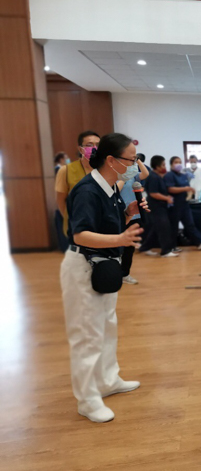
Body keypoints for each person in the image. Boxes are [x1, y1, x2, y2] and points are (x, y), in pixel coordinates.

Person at [60, 133, 146, 423]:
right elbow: (80, 233)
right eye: (131, 160)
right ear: (112, 160)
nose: (135, 165)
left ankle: (108, 380)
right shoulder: (87, 190)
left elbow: (108, 226)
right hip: (83, 266)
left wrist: (130, 215)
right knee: (87, 335)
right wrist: (121, 237)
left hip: (103, 265)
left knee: (107, 326)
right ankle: (87, 399)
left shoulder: (110, 188)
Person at [55, 130, 100, 236]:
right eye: (89, 145)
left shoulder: (106, 169)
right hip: (78, 226)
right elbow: (61, 200)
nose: (94, 148)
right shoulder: (66, 170)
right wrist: (71, 219)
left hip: (102, 224)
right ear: (81, 149)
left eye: (98, 145)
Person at [164, 156, 201, 251]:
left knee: (190, 224)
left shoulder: (183, 175)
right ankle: (172, 247)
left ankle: (200, 242)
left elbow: (188, 187)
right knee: (174, 226)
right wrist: (186, 189)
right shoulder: (169, 175)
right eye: (176, 162)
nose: (178, 164)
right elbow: (170, 189)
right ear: (171, 164)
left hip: (184, 203)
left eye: (180, 162)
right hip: (174, 204)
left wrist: (189, 194)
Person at [117, 152, 150, 284]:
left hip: (134, 215)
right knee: (118, 246)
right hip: (120, 215)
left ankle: (125, 273)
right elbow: (115, 191)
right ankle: (115, 272)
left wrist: (137, 161)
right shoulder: (117, 178)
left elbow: (146, 174)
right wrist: (123, 177)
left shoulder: (134, 177)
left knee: (129, 248)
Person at [139, 156, 178, 258]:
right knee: (164, 228)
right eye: (163, 165)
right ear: (157, 166)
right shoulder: (153, 177)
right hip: (156, 207)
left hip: (160, 206)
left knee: (156, 228)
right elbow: (153, 193)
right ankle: (165, 251)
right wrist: (167, 198)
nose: (165, 167)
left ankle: (144, 247)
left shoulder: (158, 176)